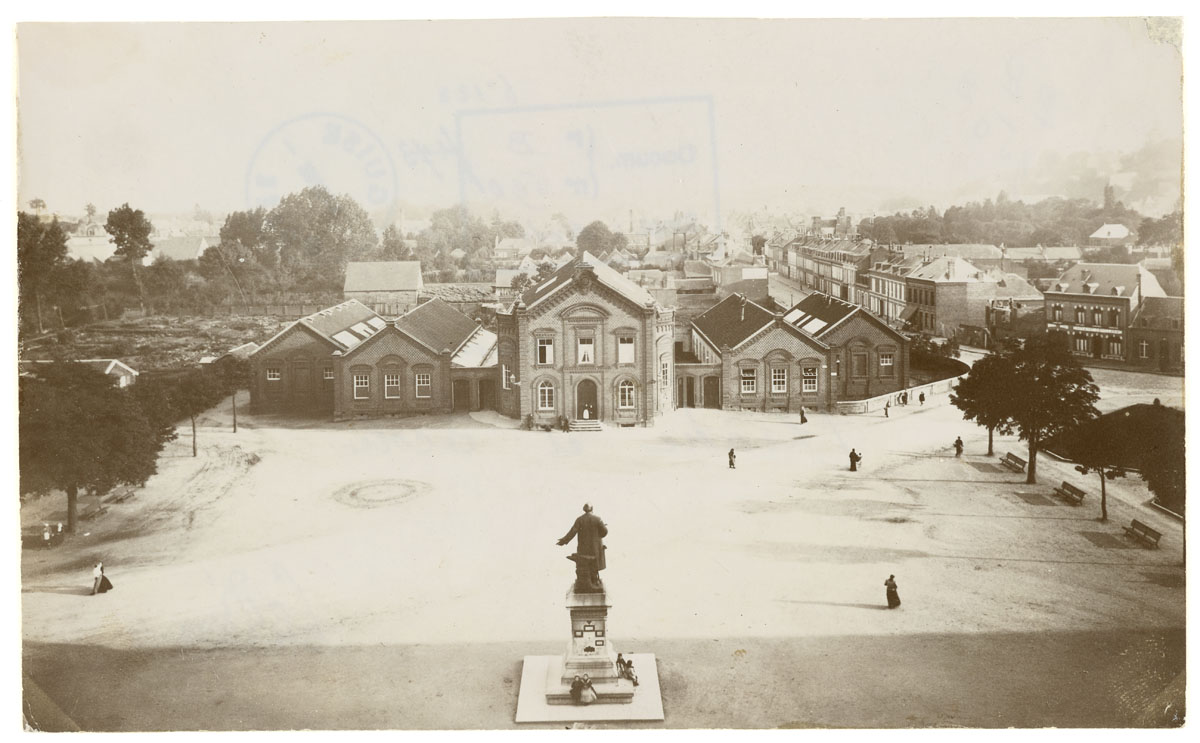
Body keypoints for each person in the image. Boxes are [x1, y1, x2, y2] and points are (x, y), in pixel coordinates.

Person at [557, 503, 608, 592]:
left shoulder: (580, 519)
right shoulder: (598, 519)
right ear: (592, 509)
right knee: (594, 564)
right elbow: (604, 532)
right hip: (595, 548)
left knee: (585, 564)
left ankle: (590, 582)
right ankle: (594, 581)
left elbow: (573, 532)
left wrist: (564, 541)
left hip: (583, 548)